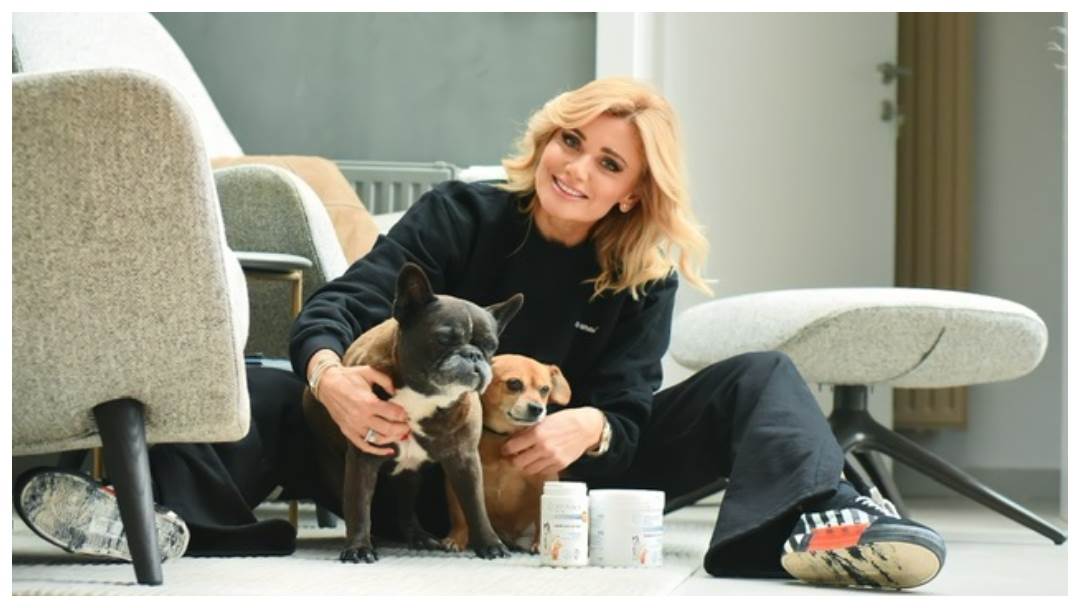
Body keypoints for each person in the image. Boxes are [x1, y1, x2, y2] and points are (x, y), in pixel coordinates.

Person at [15, 77, 946, 589]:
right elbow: (342, 304)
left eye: (609, 163)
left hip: (559, 481)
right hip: (398, 465)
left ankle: (820, 525)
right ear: (548, 139)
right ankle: (155, 520)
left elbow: (629, 405)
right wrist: (334, 378)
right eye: (571, 141)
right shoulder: (462, 212)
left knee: (762, 378)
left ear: (635, 192)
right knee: (263, 383)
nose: (577, 169)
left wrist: (593, 425)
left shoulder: (642, 274)